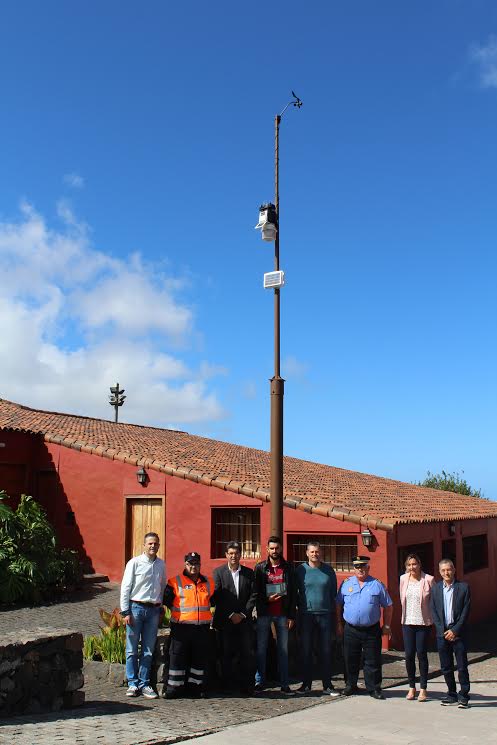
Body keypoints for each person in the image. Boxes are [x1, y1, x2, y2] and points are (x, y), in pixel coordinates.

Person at [336, 555, 393, 700]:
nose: (360, 569)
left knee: (372, 660)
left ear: (368, 568)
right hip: (351, 629)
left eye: (363, 566)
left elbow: (388, 606)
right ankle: (350, 685)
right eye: (357, 567)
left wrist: (386, 625)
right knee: (350, 658)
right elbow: (338, 604)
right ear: (354, 569)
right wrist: (338, 624)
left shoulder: (377, 584)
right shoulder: (346, 584)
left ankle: (374, 688)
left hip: (371, 629)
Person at [120, 532, 167, 699]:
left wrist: (161, 606)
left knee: (148, 650)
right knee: (132, 649)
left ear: (159, 545)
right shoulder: (134, 563)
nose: (153, 546)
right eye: (150, 544)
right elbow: (126, 587)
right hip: (135, 608)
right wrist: (125, 611)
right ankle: (132, 683)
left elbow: (162, 587)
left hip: (153, 610)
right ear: (144, 545)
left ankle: (144, 683)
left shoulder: (161, 564)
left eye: (155, 543)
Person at [163, 551, 215, 699]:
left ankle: (196, 688)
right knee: (177, 658)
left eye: (196, 563)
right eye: (190, 563)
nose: (193, 566)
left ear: (200, 565)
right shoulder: (174, 582)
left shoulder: (209, 582)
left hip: (201, 628)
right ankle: (173, 689)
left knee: (199, 659)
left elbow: (214, 601)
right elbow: (166, 600)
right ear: (185, 565)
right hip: (181, 628)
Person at [295, 540, 340, 696]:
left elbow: (334, 594)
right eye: (312, 552)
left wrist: (336, 619)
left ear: (321, 553)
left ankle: (327, 684)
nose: (315, 554)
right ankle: (306, 684)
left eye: (317, 551)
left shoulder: (329, 571)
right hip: (306, 615)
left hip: (326, 615)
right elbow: (295, 593)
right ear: (307, 553)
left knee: (325, 651)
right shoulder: (300, 570)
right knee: (306, 650)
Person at [253, 535, 297, 694]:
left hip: (283, 614)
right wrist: (267, 599)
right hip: (264, 614)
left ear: (281, 549)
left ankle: (284, 683)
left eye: (277, 548)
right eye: (272, 548)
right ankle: (260, 682)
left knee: (283, 650)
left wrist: (292, 615)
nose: (274, 551)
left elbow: (293, 593)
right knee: (261, 649)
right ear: (267, 549)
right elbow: (256, 593)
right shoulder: (260, 568)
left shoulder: (288, 568)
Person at [213, 540, 257, 695]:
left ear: (240, 555)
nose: (233, 556)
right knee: (226, 654)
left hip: (244, 621)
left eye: (236, 553)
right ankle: (227, 687)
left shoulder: (249, 573)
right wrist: (231, 615)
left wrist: (243, 614)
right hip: (226, 621)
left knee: (246, 654)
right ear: (226, 555)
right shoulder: (218, 572)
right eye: (230, 553)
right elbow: (218, 596)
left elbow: (254, 595)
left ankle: (247, 686)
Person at [430, 558, 471, 708]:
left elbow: (466, 612)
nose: (446, 572)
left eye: (449, 569)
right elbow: (433, 611)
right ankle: (451, 694)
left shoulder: (463, 588)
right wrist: (442, 631)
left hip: (458, 633)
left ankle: (464, 695)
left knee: (462, 666)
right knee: (446, 666)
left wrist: (454, 630)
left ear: (454, 570)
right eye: (443, 570)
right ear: (440, 572)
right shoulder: (435, 589)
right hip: (442, 633)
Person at [399, 553, 434, 702]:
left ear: (419, 565)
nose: (412, 567)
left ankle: (423, 688)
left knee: (421, 654)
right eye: (409, 565)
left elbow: (434, 600)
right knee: (408, 655)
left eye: (414, 564)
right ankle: (411, 687)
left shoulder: (429, 580)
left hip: (423, 622)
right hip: (407, 622)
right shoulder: (403, 579)